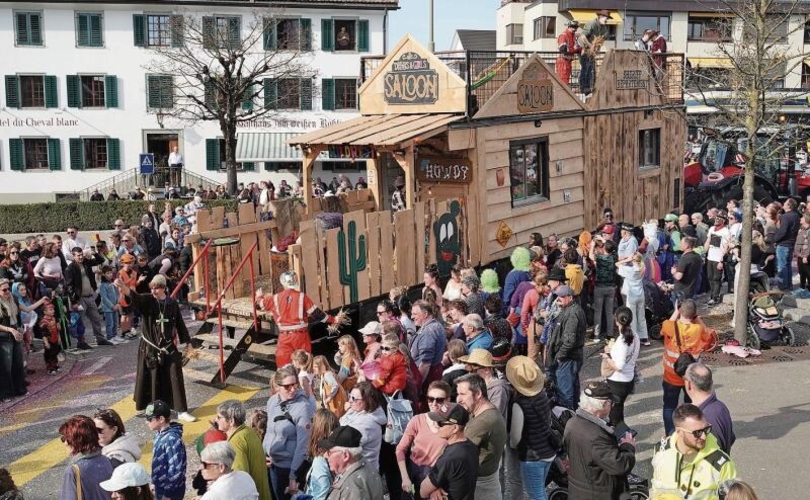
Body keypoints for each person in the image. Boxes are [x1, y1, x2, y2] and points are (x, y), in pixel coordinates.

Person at [114, 274, 195, 422]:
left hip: (168, 347)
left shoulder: (172, 304)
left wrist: (188, 343)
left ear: (164, 288)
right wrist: (123, 287)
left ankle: (181, 410)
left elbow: (180, 325)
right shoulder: (148, 301)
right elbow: (135, 297)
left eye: (156, 288)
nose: (153, 291)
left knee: (175, 377)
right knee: (151, 379)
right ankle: (152, 410)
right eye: (152, 288)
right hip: (150, 348)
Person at [564, 381, 636, 499]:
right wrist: (627, 446)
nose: (612, 406)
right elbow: (620, 465)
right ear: (603, 404)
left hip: (578, 491)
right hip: (599, 494)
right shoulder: (596, 437)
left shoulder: (571, 424)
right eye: (611, 403)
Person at [650, 404, 737, 499]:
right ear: (679, 432)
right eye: (697, 433)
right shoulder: (661, 449)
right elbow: (657, 486)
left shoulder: (721, 463)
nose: (704, 436)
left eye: (706, 429)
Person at [256, 271, 335, 368]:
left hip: (285, 336)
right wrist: (333, 320)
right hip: (301, 336)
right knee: (304, 365)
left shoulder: (275, 298)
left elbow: (259, 305)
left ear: (283, 282)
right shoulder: (302, 297)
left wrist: (259, 296)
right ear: (295, 282)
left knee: (284, 367)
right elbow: (318, 314)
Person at [660, 299, 715, 436]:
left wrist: (676, 311)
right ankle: (689, 431)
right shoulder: (698, 329)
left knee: (669, 406)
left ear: (680, 311)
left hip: (671, 375)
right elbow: (709, 337)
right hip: (690, 377)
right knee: (690, 406)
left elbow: (664, 328)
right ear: (694, 315)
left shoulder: (671, 327)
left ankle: (670, 434)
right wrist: (699, 319)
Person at [505, 356, 556, 500]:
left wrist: (511, 445)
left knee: (536, 495)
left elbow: (515, 438)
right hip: (548, 450)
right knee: (540, 489)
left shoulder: (519, 403)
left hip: (532, 456)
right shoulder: (542, 395)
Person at [264, 368, 314, 500]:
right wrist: (265, 453)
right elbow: (269, 431)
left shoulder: (302, 407)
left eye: (294, 385)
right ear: (277, 386)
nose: (292, 389)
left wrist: (293, 476)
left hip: (288, 469)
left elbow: (303, 445)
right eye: (287, 386)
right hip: (272, 464)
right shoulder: (272, 401)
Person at [455, 373, 507, 500]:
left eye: (462, 394)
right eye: (458, 394)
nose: (458, 399)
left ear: (478, 394)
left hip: (479, 490)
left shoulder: (483, 422)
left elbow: (453, 455)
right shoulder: (485, 413)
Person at [397, 380, 451, 497]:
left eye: (439, 400)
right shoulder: (417, 420)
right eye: (431, 399)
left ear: (448, 400)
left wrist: (435, 486)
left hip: (437, 478)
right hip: (414, 474)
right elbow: (400, 449)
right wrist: (405, 477)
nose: (434, 403)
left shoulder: (452, 426)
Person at [215, 400, 273, 500]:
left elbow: (239, 480)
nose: (216, 420)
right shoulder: (249, 431)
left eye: (219, 417)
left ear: (231, 421)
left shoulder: (236, 443)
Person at [419, 403, 479, 500]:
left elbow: (423, 491)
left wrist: (432, 488)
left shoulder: (450, 458)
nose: (435, 425)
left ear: (455, 428)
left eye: (440, 423)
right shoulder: (471, 446)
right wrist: (436, 488)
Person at [545, 285, 586, 410]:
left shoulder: (572, 313)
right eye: (558, 296)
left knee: (565, 394)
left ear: (570, 297)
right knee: (572, 390)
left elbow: (569, 340)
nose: (559, 299)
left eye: (562, 296)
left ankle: (567, 420)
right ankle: (573, 416)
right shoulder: (568, 309)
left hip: (568, 359)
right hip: (568, 358)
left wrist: (560, 356)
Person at [683, 363, 736, 455]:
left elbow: (712, 454)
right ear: (711, 382)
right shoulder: (720, 407)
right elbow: (730, 438)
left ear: (688, 384)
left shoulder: (703, 418)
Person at [601, 307, 640, 430]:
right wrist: (612, 350)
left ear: (616, 320)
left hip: (618, 382)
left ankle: (620, 437)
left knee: (614, 415)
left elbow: (619, 366)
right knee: (619, 408)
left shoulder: (623, 340)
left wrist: (606, 357)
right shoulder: (634, 335)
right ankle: (622, 433)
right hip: (628, 379)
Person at [58, 415, 114, 500]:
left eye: (65, 438)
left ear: (75, 441)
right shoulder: (107, 461)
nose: (64, 442)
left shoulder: (74, 470)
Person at [322, 426, 385, 500]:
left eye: (329, 452)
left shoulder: (353, 490)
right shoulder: (366, 466)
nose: (325, 456)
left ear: (345, 456)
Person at [339, 381, 388, 471]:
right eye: (349, 396)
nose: (349, 400)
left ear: (366, 401)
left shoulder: (367, 424)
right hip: (356, 470)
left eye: (354, 398)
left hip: (362, 475)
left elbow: (344, 445)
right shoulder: (357, 410)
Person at [145, 400, 187, 500]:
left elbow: (176, 470)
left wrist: (167, 494)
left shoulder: (171, 439)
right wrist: (154, 483)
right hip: (160, 487)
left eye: (150, 419)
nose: (146, 422)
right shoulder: (160, 434)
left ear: (161, 419)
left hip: (170, 492)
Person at [410, 300, 447, 392]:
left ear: (425, 314)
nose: (412, 317)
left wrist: (417, 385)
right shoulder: (436, 325)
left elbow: (425, 363)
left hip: (427, 378)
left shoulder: (428, 332)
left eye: (415, 314)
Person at [0, 279, 27, 401]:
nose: (7, 292)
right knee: (6, 367)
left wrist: (20, 329)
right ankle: (6, 394)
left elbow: (23, 312)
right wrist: (10, 330)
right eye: (4, 290)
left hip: (16, 333)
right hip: (4, 337)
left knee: (18, 363)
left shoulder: (13, 299)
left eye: (8, 289)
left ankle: (20, 390)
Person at [616, 252, 650, 345]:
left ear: (633, 260)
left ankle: (635, 338)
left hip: (631, 296)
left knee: (633, 318)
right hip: (640, 295)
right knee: (641, 317)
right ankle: (644, 338)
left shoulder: (629, 270)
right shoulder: (643, 268)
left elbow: (617, 264)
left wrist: (627, 259)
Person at [578, 9, 612, 94]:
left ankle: (589, 87)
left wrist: (597, 48)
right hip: (584, 48)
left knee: (590, 69)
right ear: (601, 17)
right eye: (606, 18)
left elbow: (601, 40)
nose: (607, 20)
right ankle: (583, 87)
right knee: (585, 68)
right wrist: (590, 46)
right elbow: (583, 37)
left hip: (592, 51)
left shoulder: (604, 28)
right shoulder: (591, 24)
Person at [590, 237, 616, 342]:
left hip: (600, 287)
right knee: (609, 312)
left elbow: (591, 256)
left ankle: (596, 335)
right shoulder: (614, 257)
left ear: (604, 248)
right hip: (611, 288)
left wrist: (592, 245)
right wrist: (606, 242)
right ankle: (610, 334)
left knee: (598, 312)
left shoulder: (600, 258)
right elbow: (612, 248)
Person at [704, 212, 731, 306]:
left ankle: (715, 297)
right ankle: (712, 295)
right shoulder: (712, 229)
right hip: (710, 256)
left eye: (719, 218)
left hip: (718, 258)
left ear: (724, 221)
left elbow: (726, 247)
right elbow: (708, 241)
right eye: (716, 218)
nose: (716, 220)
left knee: (716, 278)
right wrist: (704, 253)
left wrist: (721, 261)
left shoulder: (726, 232)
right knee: (710, 277)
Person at [774, 198, 800, 291]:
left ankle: (783, 285)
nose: (783, 204)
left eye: (785, 203)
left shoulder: (786, 216)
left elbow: (783, 231)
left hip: (783, 244)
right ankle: (789, 285)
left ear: (789, 205)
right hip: (791, 243)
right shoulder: (796, 216)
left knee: (782, 266)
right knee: (788, 265)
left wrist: (775, 239)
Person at [672, 236, 702, 301]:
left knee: (680, 310)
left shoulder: (685, 258)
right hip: (692, 289)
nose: (680, 245)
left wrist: (674, 272)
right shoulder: (697, 256)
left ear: (686, 245)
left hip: (681, 292)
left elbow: (678, 276)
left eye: (681, 243)